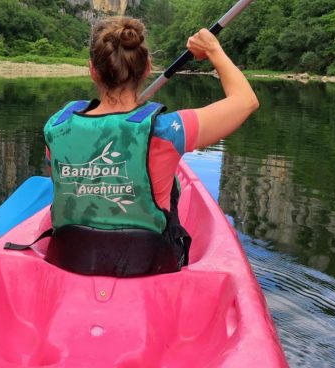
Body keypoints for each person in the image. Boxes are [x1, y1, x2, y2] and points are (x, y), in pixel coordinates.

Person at [42, 16, 258, 277]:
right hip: (146, 268)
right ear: (147, 69)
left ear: (93, 70)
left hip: (69, 263)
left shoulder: (57, 127)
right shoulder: (166, 131)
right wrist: (213, 48)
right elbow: (246, 101)